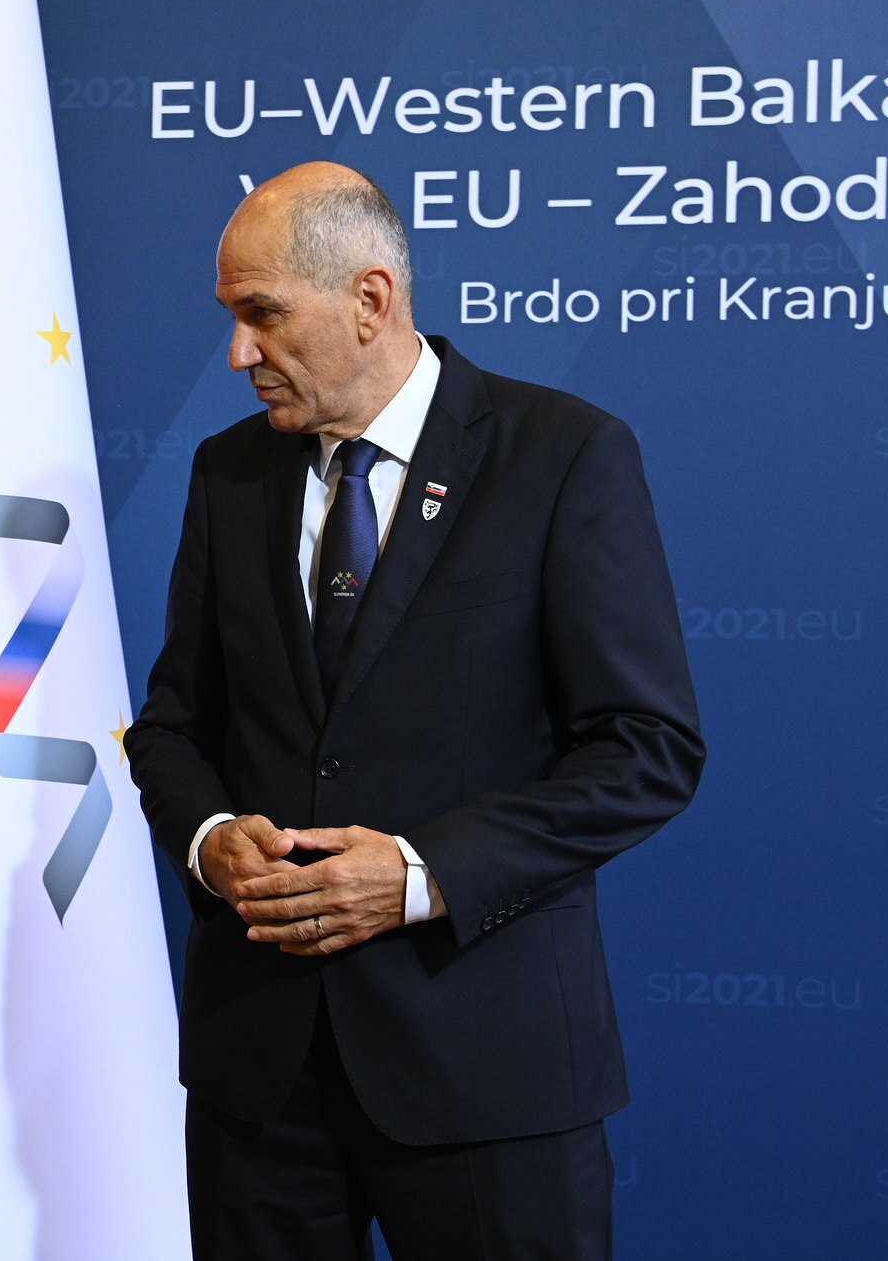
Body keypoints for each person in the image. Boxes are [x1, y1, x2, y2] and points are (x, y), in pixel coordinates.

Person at [124, 162, 704, 1261]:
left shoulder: (563, 456)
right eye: (230, 318)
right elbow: (171, 723)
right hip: (261, 1076)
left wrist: (421, 873)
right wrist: (207, 842)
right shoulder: (226, 473)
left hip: (485, 1066)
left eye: (262, 315)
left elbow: (644, 750)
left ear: (369, 299)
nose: (238, 354)